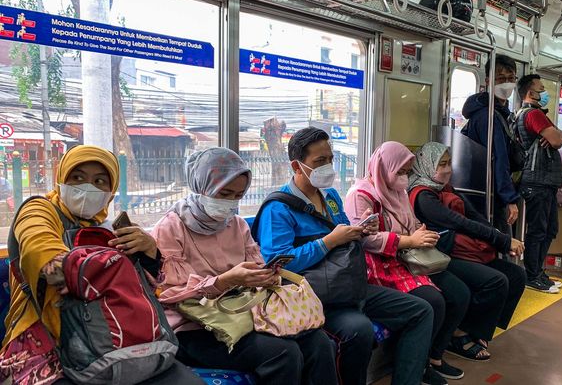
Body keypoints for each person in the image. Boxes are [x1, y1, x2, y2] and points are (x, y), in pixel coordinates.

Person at [0, 146, 202, 385]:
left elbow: (150, 286)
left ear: (111, 189)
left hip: (117, 332)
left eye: (99, 181)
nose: (88, 187)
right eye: (77, 177)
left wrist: (148, 251)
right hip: (49, 335)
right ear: (61, 177)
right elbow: (38, 244)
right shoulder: (39, 209)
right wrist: (69, 276)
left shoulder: (108, 229)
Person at [257, 128, 434, 385]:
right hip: (312, 294)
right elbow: (277, 264)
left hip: (346, 284)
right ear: (297, 165)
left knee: (421, 310)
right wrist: (326, 243)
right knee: (358, 329)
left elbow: (344, 232)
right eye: (319, 161)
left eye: (330, 159)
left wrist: (361, 230)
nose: (328, 166)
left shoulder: (330, 198)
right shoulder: (279, 209)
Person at [153, 147, 338, 385]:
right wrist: (225, 281)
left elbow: (258, 266)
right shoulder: (171, 228)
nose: (230, 204)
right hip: (194, 330)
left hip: (245, 315)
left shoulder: (237, 225)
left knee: (319, 343)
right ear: (201, 186)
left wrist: (266, 277)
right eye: (224, 193)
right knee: (284, 353)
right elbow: (168, 295)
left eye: (237, 196)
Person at [345, 141, 469, 384]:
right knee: (431, 301)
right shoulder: (360, 195)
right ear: (383, 168)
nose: (403, 177)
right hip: (376, 265)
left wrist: (419, 233)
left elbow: (409, 222)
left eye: (406, 172)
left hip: (401, 259)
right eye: (399, 171)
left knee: (442, 300)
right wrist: (409, 240)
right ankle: (413, 368)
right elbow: (365, 238)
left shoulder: (398, 192)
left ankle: (422, 362)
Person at [408, 142, 527, 358]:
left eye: (448, 163)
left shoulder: (445, 188)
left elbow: (473, 216)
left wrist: (500, 239)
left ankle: (478, 328)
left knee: (517, 275)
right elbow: (459, 222)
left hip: (466, 249)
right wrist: (502, 241)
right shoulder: (422, 196)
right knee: (496, 281)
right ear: (427, 164)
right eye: (441, 164)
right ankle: (460, 334)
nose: (447, 169)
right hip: (443, 253)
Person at [513, 74, 562, 294]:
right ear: (530, 93)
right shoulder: (534, 114)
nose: (544, 92)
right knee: (538, 230)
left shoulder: (528, 114)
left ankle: (539, 271)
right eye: (541, 88)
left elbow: (561, 136)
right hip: (537, 180)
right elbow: (556, 140)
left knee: (549, 229)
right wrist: (558, 136)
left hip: (543, 181)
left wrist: (560, 135)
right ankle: (532, 275)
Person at [461, 54, 520, 235]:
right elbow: (498, 158)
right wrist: (509, 198)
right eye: (501, 79)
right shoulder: (488, 116)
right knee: (503, 242)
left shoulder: (501, 112)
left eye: (511, 79)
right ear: (488, 81)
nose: (507, 84)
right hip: (488, 192)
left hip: (485, 188)